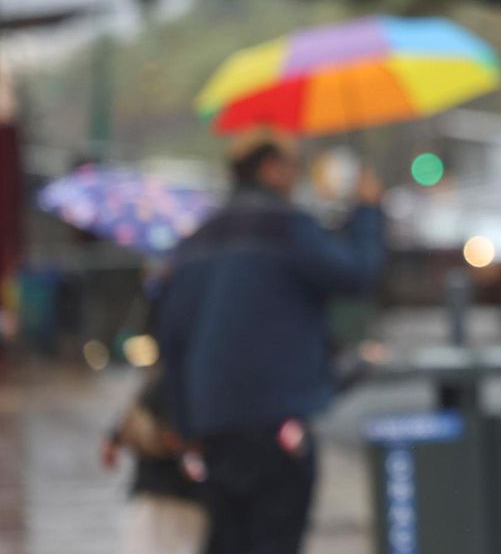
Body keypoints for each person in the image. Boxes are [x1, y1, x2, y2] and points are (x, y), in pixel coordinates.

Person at [157, 128, 386, 554]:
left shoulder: (197, 240)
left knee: (229, 541)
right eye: (291, 166)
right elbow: (357, 274)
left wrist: (187, 427)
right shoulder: (286, 227)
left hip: (214, 423)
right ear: (270, 168)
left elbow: (172, 338)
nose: (295, 176)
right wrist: (367, 211)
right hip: (277, 416)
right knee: (276, 538)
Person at [102, 373, 208, 553]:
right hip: (172, 494)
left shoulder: (168, 376)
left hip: (173, 496)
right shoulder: (181, 378)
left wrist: (113, 441)